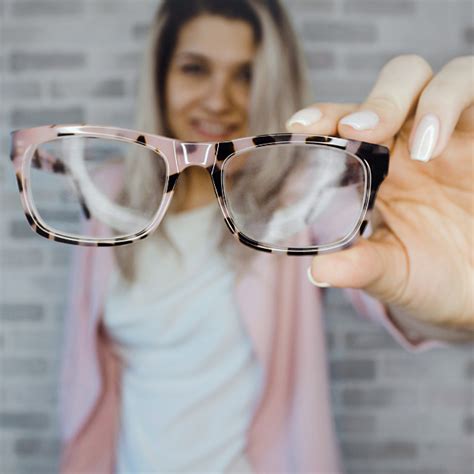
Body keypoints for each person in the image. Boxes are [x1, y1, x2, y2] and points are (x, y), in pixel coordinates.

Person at [58, 0, 474, 472]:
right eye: (195, 69)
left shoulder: (300, 194)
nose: (218, 100)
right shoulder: (110, 194)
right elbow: (87, 378)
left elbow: (397, 285)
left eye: (246, 75)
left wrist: (462, 287)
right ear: (159, 77)